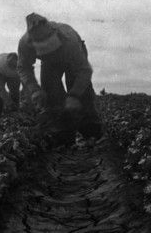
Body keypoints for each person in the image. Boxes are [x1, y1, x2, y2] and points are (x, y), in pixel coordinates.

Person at [17, 12, 102, 144]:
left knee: (82, 92)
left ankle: (91, 133)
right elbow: (23, 67)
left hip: (71, 58)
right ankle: (63, 136)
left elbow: (84, 71)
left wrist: (74, 95)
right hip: (49, 63)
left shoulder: (69, 40)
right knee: (51, 94)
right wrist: (34, 89)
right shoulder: (25, 44)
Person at [0, 53, 21, 121]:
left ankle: (14, 116)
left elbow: (23, 86)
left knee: (15, 93)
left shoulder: (21, 67)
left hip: (15, 76)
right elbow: (0, 89)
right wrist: (9, 103)